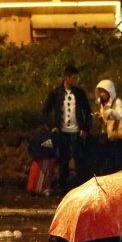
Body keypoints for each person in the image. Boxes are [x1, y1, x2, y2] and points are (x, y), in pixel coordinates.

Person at [42, 65, 91, 193]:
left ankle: (80, 187)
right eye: (73, 77)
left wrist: (85, 128)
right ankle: (63, 188)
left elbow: (87, 111)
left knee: (79, 159)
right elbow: (45, 111)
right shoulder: (56, 93)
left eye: (77, 77)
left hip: (76, 131)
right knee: (63, 159)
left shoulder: (80, 93)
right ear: (66, 77)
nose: (76, 80)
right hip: (62, 131)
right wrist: (52, 126)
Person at [94, 79, 122, 175]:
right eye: (100, 92)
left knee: (117, 162)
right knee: (106, 162)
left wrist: (112, 112)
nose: (102, 94)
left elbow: (121, 117)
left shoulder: (117, 102)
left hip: (116, 137)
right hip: (106, 136)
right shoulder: (102, 104)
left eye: (104, 91)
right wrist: (100, 117)